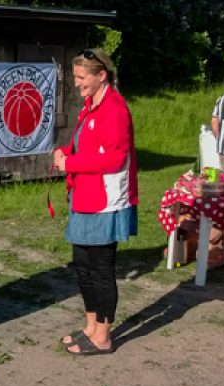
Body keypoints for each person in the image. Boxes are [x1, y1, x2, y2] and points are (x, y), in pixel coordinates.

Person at [52, 48, 138, 356]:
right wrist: (65, 152)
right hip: (84, 197)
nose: (77, 84)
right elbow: (86, 146)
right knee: (82, 266)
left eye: (81, 77)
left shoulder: (115, 108)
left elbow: (115, 158)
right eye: (75, 77)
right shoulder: (91, 106)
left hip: (105, 201)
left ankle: (104, 335)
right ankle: (90, 325)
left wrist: (71, 163)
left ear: (101, 75)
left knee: (101, 269)